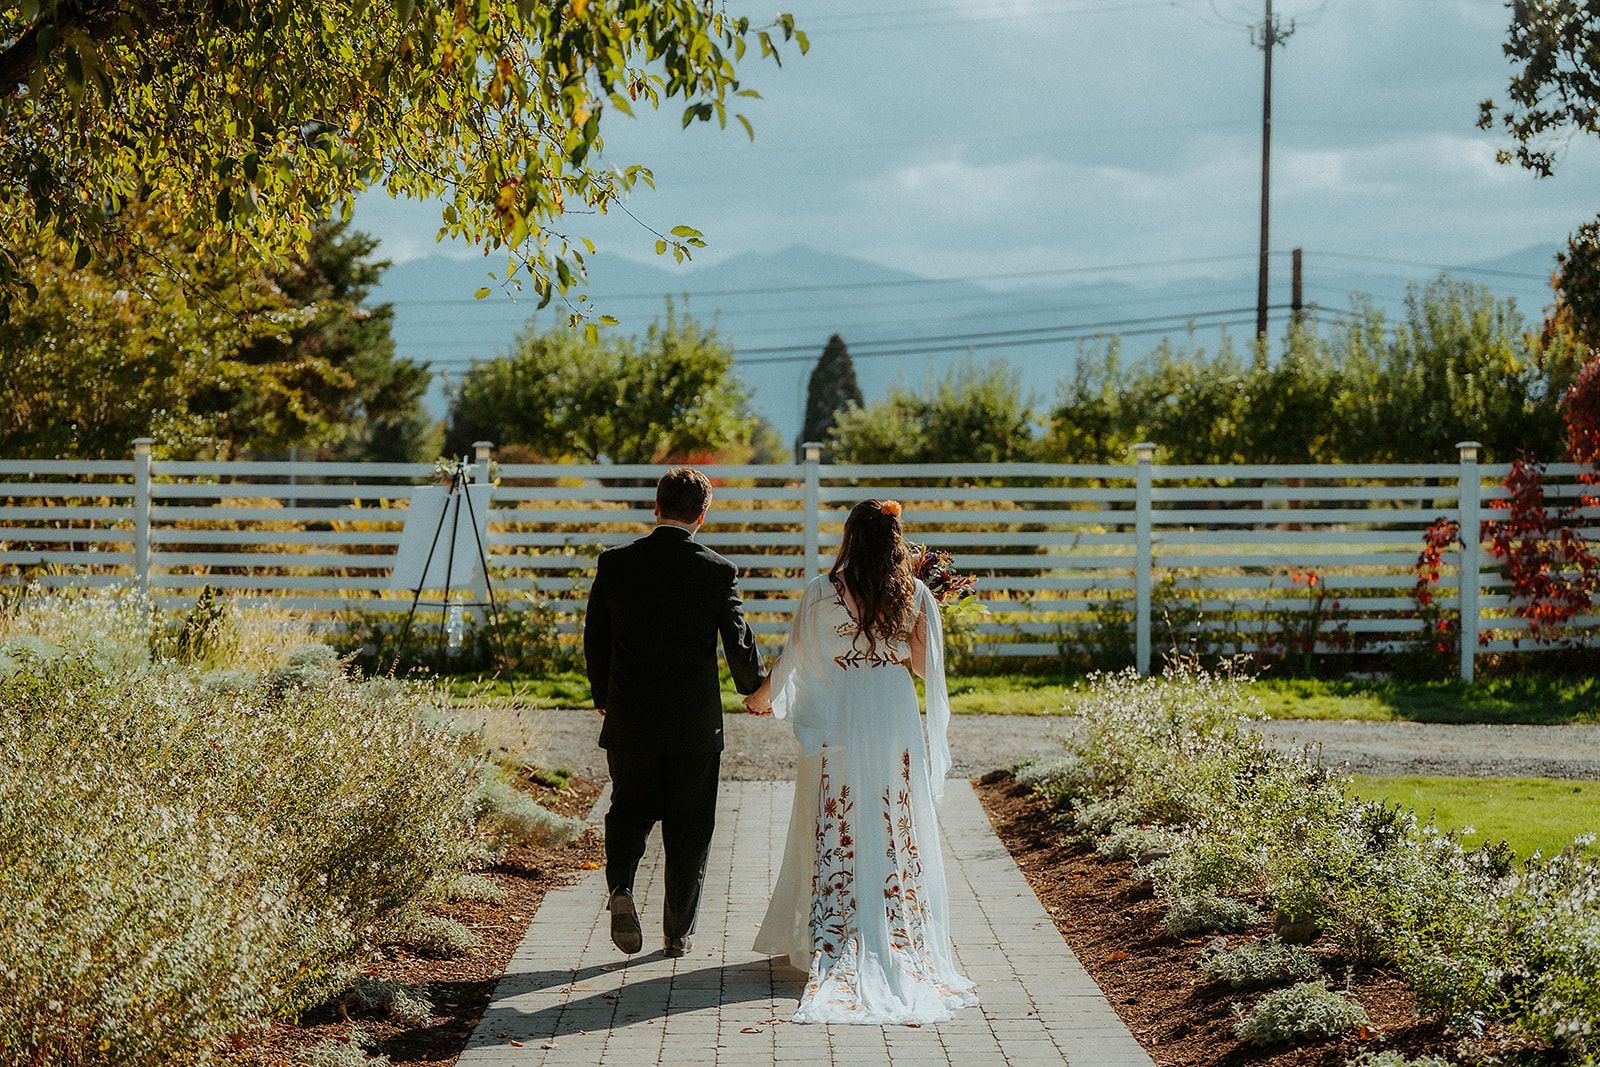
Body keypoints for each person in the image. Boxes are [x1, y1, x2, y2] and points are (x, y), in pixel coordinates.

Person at [743, 499, 979, 1024]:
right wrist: (916, 628)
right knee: (891, 809)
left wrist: (762, 698)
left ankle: (840, 926)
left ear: (850, 537)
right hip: (892, 710)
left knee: (841, 812)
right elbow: (923, 668)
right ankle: (891, 920)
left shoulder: (822, 592)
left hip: (844, 712)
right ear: (898, 542)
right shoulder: (914, 593)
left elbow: (797, 657)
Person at [583, 467, 767, 958]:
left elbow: (595, 636)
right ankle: (676, 932)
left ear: (656, 507)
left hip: (630, 716)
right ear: (702, 515)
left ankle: (621, 885)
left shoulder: (616, 564)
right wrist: (756, 688)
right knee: (690, 827)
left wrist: (603, 696)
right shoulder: (716, 570)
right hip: (693, 723)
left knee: (628, 809)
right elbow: (737, 642)